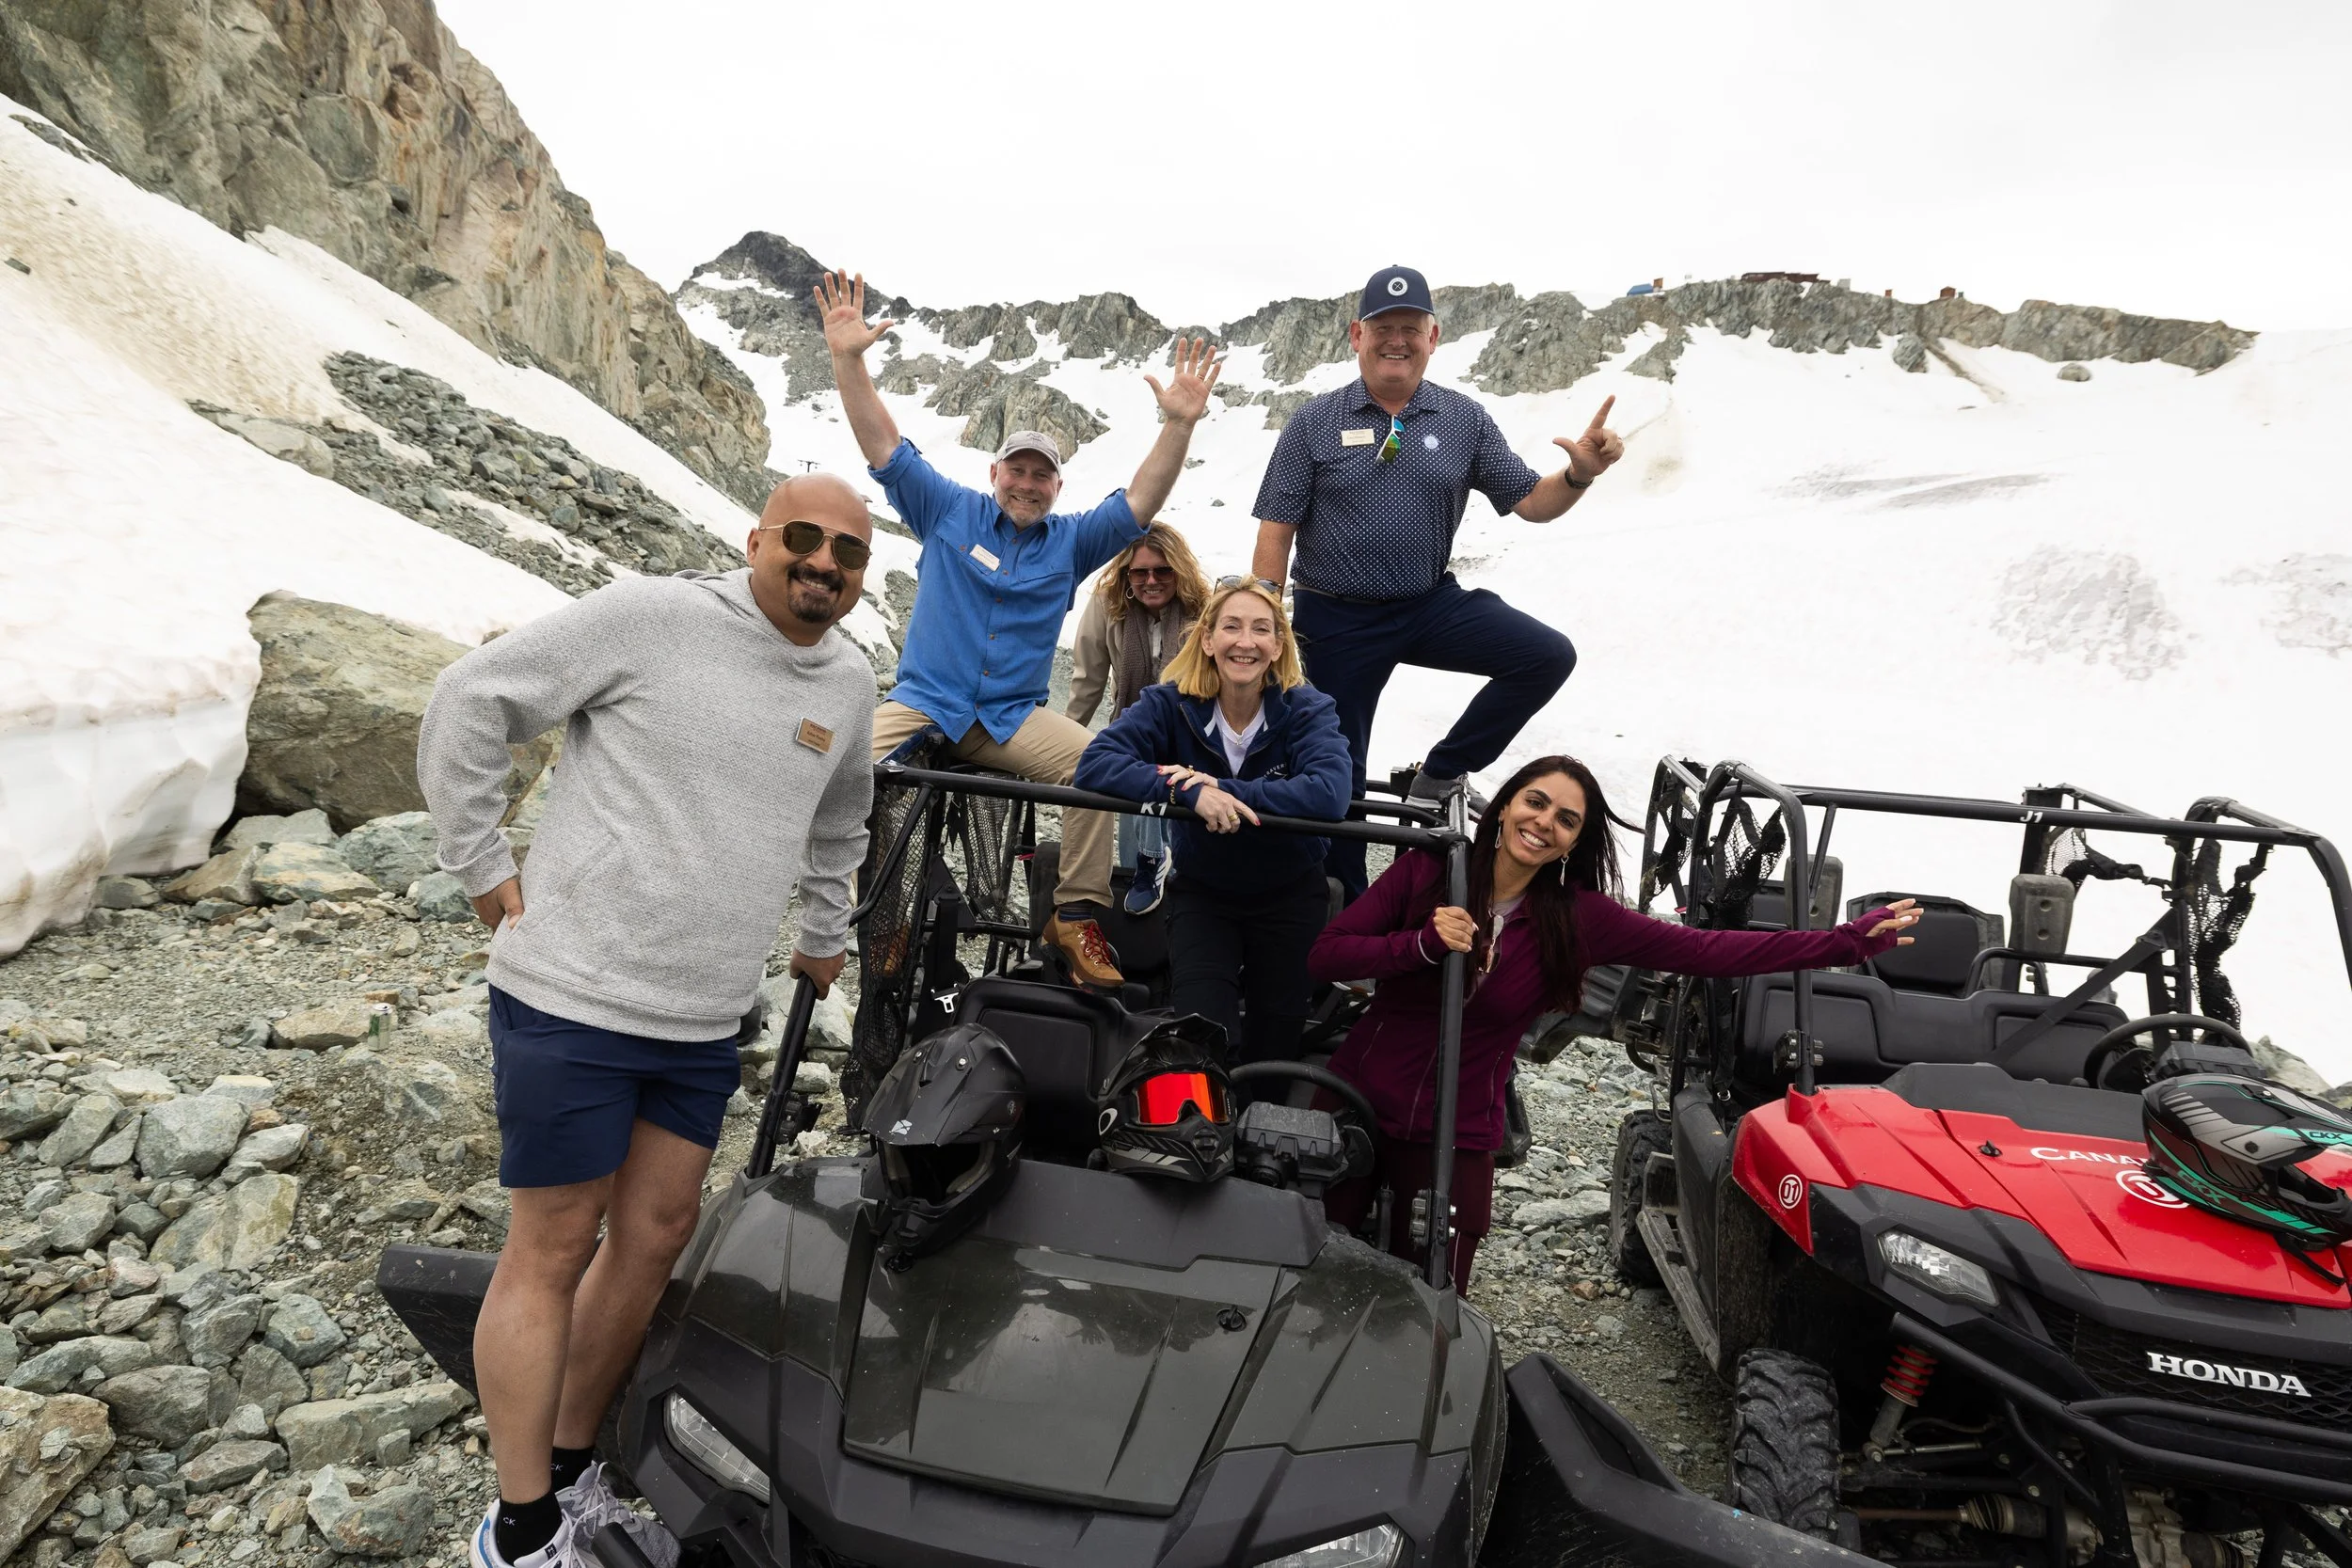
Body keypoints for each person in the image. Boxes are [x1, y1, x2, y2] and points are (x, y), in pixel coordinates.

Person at [419, 474, 877, 1568]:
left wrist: (826, 926)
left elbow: (842, 813)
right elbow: (470, 696)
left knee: (659, 1234)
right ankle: (518, 1526)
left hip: (703, 1015)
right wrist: (480, 861)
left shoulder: (850, 680)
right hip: (573, 994)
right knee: (555, 1242)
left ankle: (573, 1469)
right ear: (758, 537)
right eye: (803, 540)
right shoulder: (653, 616)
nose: (822, 563)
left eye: (847, 553)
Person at [1310, 753, 1921, 1290]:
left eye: (1566, 819)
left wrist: (1844, 943)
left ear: (1574, 842)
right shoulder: (1429, 872)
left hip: (1458, 1126)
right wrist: (1417, 945)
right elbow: (1327, 954)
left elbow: (1706, 952)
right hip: (1358, 1100)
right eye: (1535, 801)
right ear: (1504, 806)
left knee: (1435, 1290)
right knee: (1308, 1264)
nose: (1543, 822)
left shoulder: (1577, 919)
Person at [818, 269, 1220, 988]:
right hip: (924, 699)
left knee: (1103, 768)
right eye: (1018, 471)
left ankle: (1074, 913)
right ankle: (860, 905)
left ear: (1058, 486)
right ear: (995, 472)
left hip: (1006, 719)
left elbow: (1141, 499)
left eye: (1043, 475)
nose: (1028, 484)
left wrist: (1178, 425)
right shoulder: (946, 510)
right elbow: (884, 446)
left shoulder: (1070, 542)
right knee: (837, 767)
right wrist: (849, 359)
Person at [1249, 264, 1628, 895]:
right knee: (1334, 777)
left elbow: (1531, 501)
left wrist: (1580, 474)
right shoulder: (1313, 421)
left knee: (1545, 655)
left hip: (1427, 603)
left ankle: (1442, 771)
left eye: (1410, 329)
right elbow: (1275, 531)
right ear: (1355, 336)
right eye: (1382, 328)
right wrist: (1264, 626)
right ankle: (1344, 917)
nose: (1396, 340)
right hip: (1334, 618)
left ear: (1433, 336)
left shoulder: (1462, 419)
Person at [1075, 579, 1352, 1065]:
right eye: (1231, 627)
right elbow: (1096, 762)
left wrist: (1223, 790)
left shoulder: (1306, 708)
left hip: (1288, 893)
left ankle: (1265, 1130)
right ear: (1207, 640)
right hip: (1205, 892)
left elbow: (1330, 793)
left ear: (1277, 646)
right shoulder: (1170, 703)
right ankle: (1205, 1133)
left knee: (1278, 1033)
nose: (1245, 642)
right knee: (1202, 1031)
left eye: (1260, 630)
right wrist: (1185, 789)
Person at [1065, 524, 1212, 912]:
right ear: (1127, 576)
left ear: (1179, 571)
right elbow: (1088, 678)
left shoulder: (1205, 607)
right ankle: (1142, 871)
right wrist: (1068, 741)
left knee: (1191, 833)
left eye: (1162, 571)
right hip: (1132, 720)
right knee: (1134, 783)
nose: (1151, 581)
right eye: (1140, 572)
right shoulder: (1107, 603)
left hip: (1194, 726)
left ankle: (1184, 891)